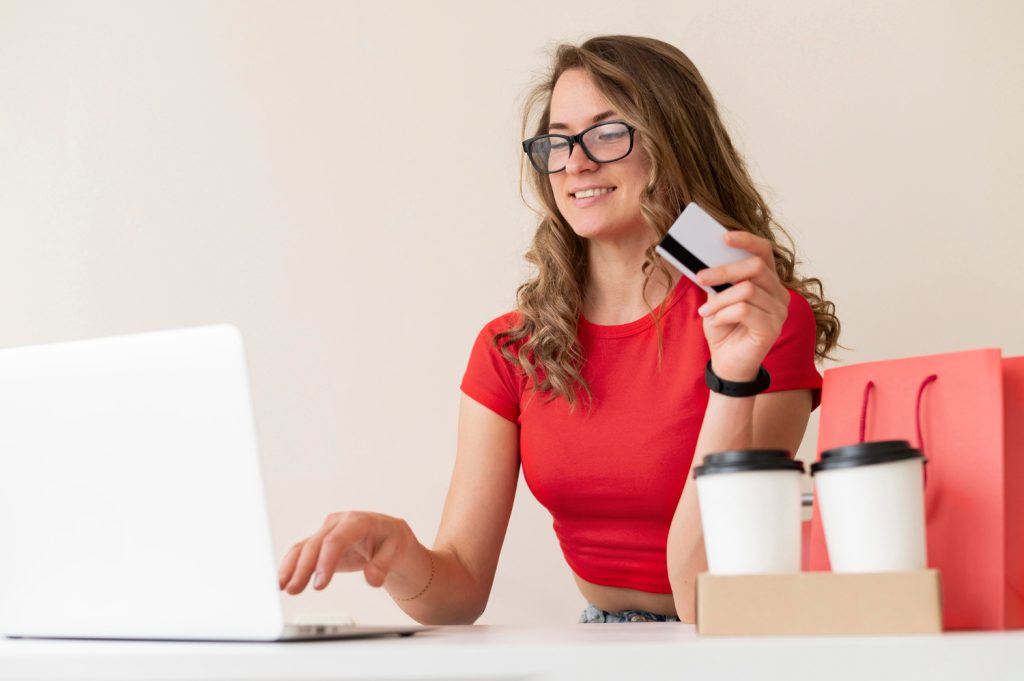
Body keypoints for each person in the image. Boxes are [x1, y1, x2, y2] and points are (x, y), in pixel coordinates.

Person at [277, 35, 840, 624]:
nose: (575, 162)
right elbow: (458, 592)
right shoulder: (512, 348)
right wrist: (397, 553)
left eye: (607, 133)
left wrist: (731, 378)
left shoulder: (756, 323)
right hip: (597, 640)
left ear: (673, 144)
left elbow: (707, 598)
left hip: (728, 635)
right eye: (559, 141)